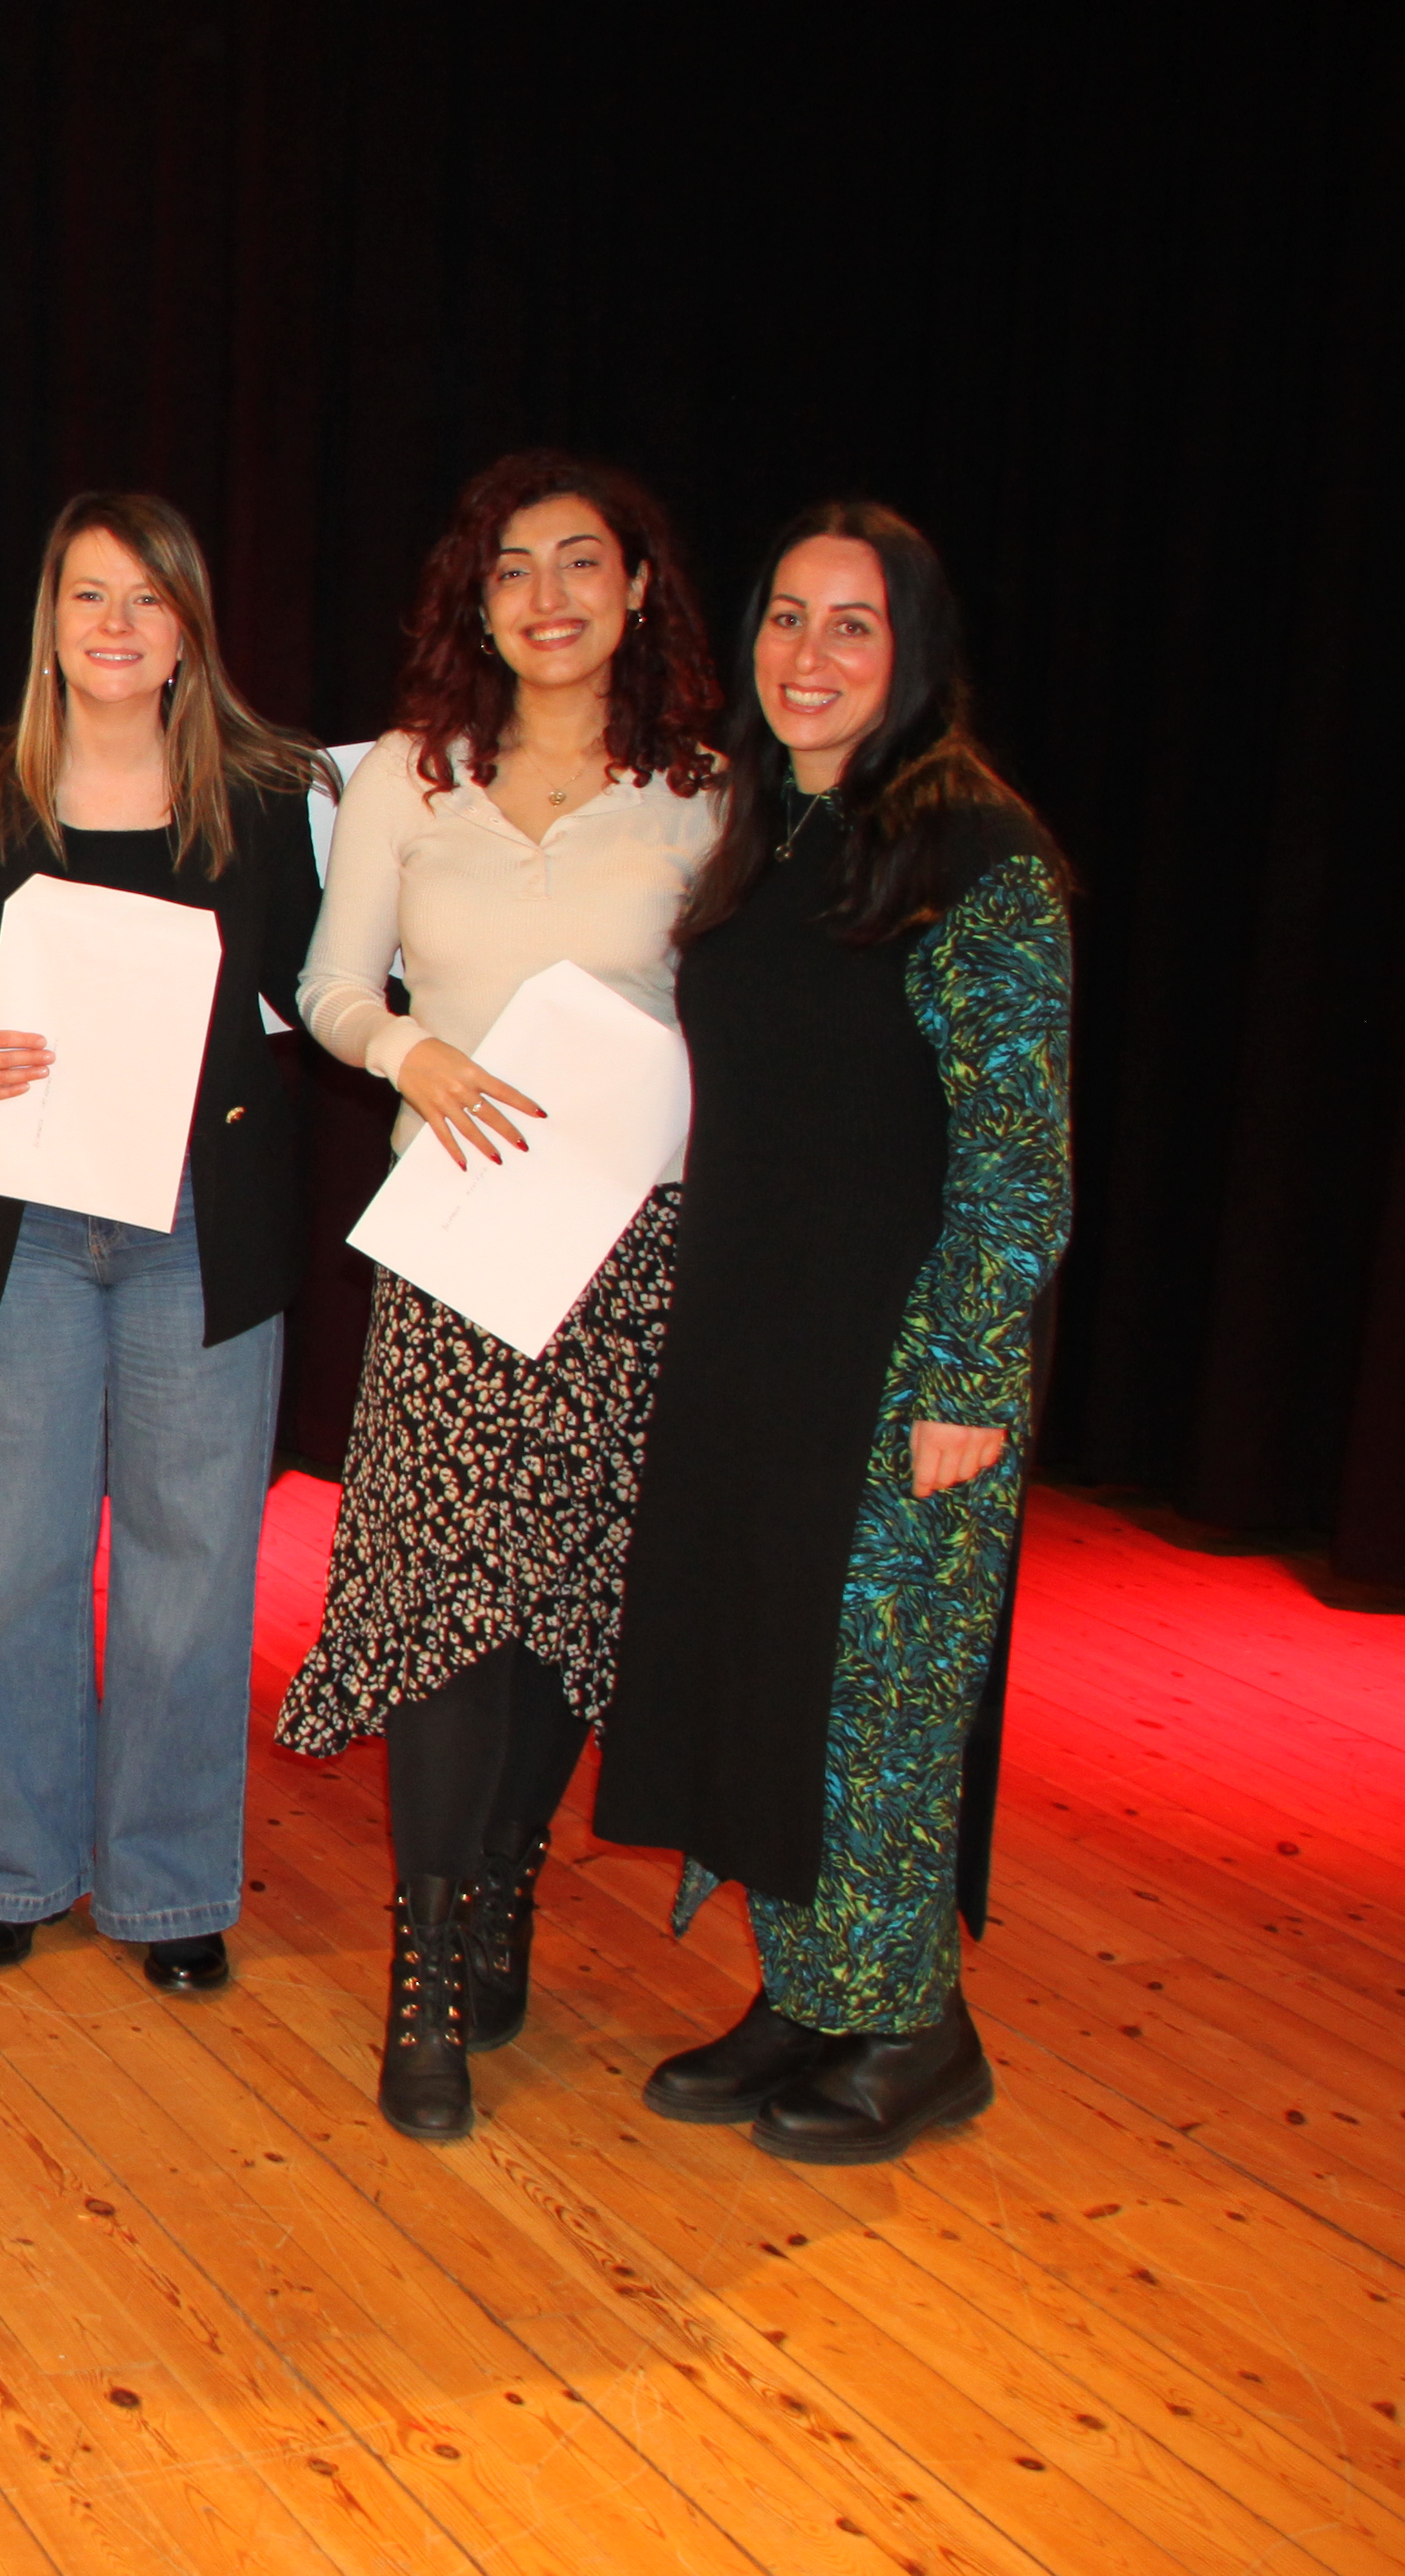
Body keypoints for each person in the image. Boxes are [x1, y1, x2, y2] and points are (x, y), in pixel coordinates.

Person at [597, 506, 1070, 2164]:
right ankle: (809, 1993)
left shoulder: (979, 859)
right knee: (765, 1674)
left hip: (896, 1358)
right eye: (786, 618)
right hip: (753, 1342)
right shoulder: (768, 834)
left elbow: (1018, 1159)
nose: (809, 656)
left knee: (873, 1699)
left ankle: (914, 2029)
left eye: (851, 625)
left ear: (911, 651)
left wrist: (967, 1381)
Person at [276, 450, 727, 2140]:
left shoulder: (701, 793)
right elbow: (330, 983)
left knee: (565, 1609)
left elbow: (741, 1024)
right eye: (514, 570)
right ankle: (425, 1965)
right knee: (448, 1611)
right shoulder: (412, 775)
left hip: (633, 1261)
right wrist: (410, 1051)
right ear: (476, 603)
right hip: (458, 1250)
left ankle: (508, 1875)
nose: (549, 597)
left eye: (582, 563)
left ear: (637, 589)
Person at [0, 494, 329, 1995]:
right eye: (89, 595)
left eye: (146, 599)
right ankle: (13, 1872)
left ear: (187, 631)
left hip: (198, 1232)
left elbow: (324, 989)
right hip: (23, 1228)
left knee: (191, 1573)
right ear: (50, 620)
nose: (115, 625)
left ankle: (168, 1892)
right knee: (5, 1567)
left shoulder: (264, 798)